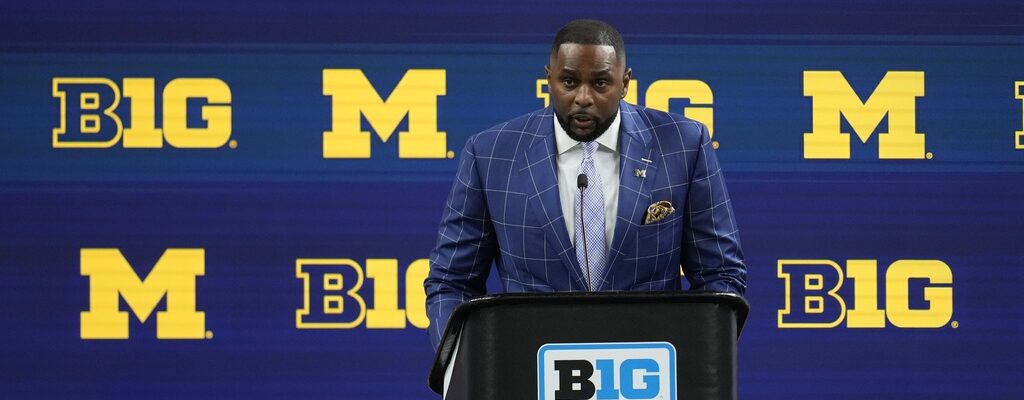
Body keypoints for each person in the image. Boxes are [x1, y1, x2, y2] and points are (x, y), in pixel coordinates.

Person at [424, 19, 746, 350]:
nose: (583, 97)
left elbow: (721, 277)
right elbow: (452, 282)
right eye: (569, 81)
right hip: (529, 367)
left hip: (649, 367)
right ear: (548, 78)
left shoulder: (683, 144)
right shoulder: (491, 153)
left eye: (600, 83)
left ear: (625, 82)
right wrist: (460, 364)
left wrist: (693, 363)